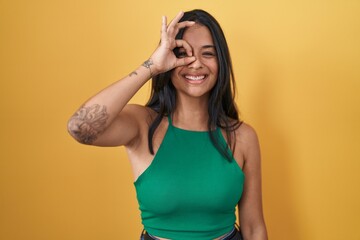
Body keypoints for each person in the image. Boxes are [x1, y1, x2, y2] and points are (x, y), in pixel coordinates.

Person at [67, 9, 267, 240]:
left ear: (221, 62)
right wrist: (152, 66)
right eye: (184, 53)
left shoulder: (242, 136)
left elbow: (254, 228)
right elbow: (79, 127)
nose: (196, 64)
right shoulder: (142, 124)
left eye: (208, 54)